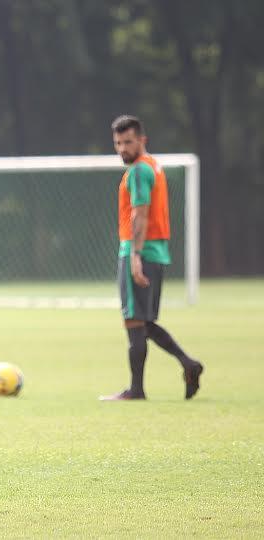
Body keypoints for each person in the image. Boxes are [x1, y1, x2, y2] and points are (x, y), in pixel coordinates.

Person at [100, 115, 203, 401]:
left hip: (140, 251)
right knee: (143, 322)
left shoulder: (138, 171)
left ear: (142, 140)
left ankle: (137, 390)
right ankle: (189, 364)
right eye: (118, 143)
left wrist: (134, 255)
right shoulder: (153, 167)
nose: (122, 149)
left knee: (134, 321)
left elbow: (140, 214)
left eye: (128, 142)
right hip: (154, 252)